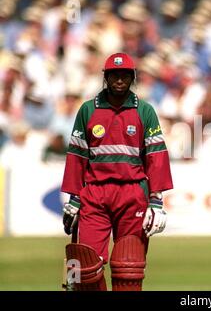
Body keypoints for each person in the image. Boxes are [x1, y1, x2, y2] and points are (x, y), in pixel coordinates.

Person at [61, 53, 173, 291]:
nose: (119, 80)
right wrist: (74, 198)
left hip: (132, 194)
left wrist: (156, 201)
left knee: (128, 267)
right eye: (114, 75)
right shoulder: (88, 110)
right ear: (106, 78)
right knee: (86, 267)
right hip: (95, 195)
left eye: (124, 75)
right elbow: (77, 157)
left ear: (132, 78)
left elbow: (156, 157)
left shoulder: (145, 111)